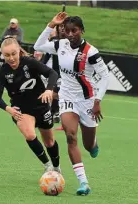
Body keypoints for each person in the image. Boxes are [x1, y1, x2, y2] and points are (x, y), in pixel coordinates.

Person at [34, 12, 109, 195]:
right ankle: (83, 183)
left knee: (88, 145)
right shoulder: (61, 45)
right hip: (67, 99)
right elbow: (38, 45)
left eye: (74, 30)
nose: (70, 34)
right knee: (70, 136)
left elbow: (105, 76)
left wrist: (98, 101)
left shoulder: (91, 52)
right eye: (66, 30)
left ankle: (93, 144)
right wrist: (51, 24)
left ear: (81, 31)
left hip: (87, 101)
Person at [0, 37, 61, 175]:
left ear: (19, 51)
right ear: (3, 55)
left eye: (13, 54)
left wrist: (49, 89)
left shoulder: (30, 63)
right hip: (21, 110)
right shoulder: (3, 72)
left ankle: (56, 166)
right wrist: (8, 109)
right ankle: (47, 166)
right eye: (7, 55)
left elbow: (52, 73)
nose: (11, 58)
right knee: (30, 135)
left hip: (41, 107)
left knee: (49, 142)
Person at [42, 24, 66, 128]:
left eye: (63, 26)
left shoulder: (70, 42)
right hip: (53, 72)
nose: (61, 28)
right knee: (53, 93)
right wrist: (41, 66)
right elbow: (47, 56)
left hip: (64, 72)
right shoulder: (53, 41)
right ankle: (53, 112)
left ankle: (56, 112)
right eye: (60, 26)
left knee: (57, 94)